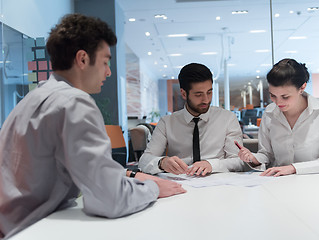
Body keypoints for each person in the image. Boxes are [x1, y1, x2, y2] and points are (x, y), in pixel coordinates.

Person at [0, 14, 185, 239]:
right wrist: (155, 189)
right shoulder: (74, 103)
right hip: (32, 230)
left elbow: (85, 166)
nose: (108, 71)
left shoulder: (33, 98)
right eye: (105, 61)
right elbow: (110, 200)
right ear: (83, 59)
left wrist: (133, 177)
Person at [237, 58, 319, 177]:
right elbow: (266, 155)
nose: (278, 103)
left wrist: (293, 168)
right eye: (273, 96)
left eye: (285, 96)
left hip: (317, 181)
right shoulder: (269, 113)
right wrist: (254, 158)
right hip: (279, 182)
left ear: (302, 88)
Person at [139, 63, 247, 176]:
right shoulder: (167, 122)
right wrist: (161, 163)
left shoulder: (228, 118)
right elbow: (144, 161)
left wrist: (211, 165)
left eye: (209, 92)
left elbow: (238, 161)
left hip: (218, 182)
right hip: (180, 183)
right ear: (184, 94)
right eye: (198, 94)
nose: (206, 100)